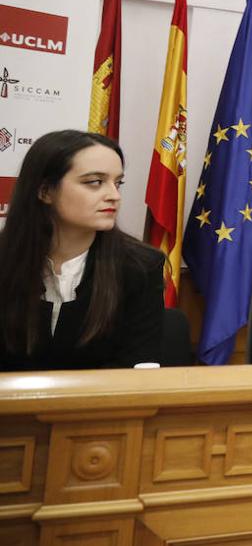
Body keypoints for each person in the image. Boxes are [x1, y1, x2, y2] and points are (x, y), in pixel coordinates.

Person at [0, 130, 164, 370]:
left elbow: (136, 370)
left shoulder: (141, 266)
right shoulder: (5, 259)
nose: (114, 196)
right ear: (45, 191)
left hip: (101, 406)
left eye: (118, 183)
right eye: (95, 182)